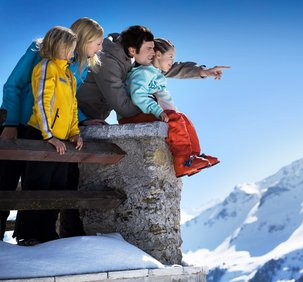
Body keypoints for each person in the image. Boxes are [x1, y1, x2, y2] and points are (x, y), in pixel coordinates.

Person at [0, 17, 104, 241]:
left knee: (44, 183)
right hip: (19, 123)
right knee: (5, 183)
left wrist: (81, 122)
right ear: (84, 40)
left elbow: (68, 100)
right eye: (97, 42)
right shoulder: (41, 52)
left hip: (47, 131)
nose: (100, 48)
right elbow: (13, 85)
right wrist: (9, 123)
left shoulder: (76, 66)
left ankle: (40, 236)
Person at [13, 26, 83, 246]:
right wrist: (48, 136)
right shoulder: (46, 67)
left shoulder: (69, 75)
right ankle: (27, 234)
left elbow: (72, 106)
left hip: (61, 141)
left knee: (57, 186)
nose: (73, 52)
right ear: (60, 46)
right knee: (37, 185)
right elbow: (42, 102)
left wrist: (75, 133)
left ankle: (47, 233)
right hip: (41, 137)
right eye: (71, 48)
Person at [76, 25, 230, 121]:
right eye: (149, 49)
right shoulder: (107, 63)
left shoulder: (132, 55)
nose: (153, 54)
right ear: (132, 50)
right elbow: (124, 107)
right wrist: (154, 107)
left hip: (95, 117)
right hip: (80, 116)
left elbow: (161, 67)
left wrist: (202, 71)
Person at [120, 38, 221, 177]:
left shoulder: (159, 76)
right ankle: (182, 161)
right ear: (158, 55)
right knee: (174, 118)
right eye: (170, 57)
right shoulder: (142, 72)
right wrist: (159, 111)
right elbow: (138, 96)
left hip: (148, 113)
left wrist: (174, 114)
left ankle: (193, 157)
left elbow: (166, 100)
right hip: (133, 114)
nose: (172, 61)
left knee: (182, 118)